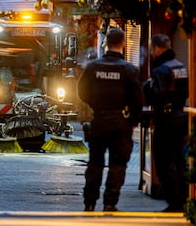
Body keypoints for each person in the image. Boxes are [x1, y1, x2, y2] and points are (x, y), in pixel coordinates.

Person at [77, 27, 144, 212]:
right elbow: (138, 98)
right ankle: (110, 203)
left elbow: (82, 91)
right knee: (118, 164)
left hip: (99, 119)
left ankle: (89, 202)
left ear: (106, 43)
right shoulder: (129, 69)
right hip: (120, 121)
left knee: (95, 162)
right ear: (123, 44)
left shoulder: (93, 67)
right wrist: (133, 121)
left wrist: (95, 104)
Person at [144, 33, 189, 212]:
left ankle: (174, 201)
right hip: (181, 116)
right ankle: (183, 198)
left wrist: (147, 90)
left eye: (151, 49)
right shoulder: (181, 66)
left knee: (164, 161)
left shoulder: (161, 70)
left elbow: (157, 96)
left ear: (156, 48)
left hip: (166, 119)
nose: (151, 53)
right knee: (178, 159)